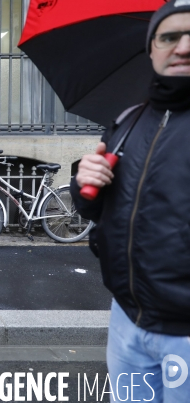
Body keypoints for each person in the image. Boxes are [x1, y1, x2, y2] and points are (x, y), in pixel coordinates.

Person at [71, 2, 190, 401]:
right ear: (152, 49)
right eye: (170, 37)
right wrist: (84, 183)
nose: (183, 46)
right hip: (126, 320)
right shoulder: (129, 120)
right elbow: (96, 210)